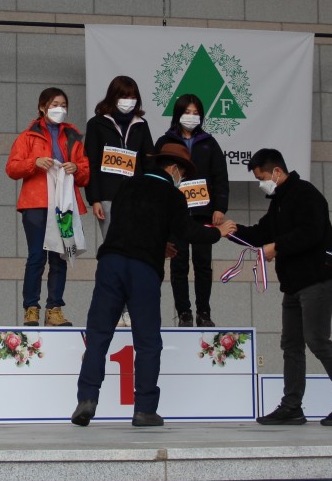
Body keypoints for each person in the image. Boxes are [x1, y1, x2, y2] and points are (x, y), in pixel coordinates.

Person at [71, 143, 236, 428]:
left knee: (98, 335)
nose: (181, 179)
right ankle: (144, 409)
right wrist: (217, 233)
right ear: (173, 169)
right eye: (182, 174)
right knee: (147, 342)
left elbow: (130, 226)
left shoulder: (127, 185)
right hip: (143, 270)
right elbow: (187, 231)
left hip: (111, 264)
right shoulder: (173, 195)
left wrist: (159, 244)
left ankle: (87, 398)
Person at [232, 148, 332, 427]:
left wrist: (278, 246)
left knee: (317, 339)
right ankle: (292, 406)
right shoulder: (278, 202)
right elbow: (260, 233)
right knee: (291, 345)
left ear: (277, 172)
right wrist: (231, 231)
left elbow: (311, 232)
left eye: (261, 178)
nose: (261, 184)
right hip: (293, 285)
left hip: (318, 279)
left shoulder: (306, 194)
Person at [5, 87, 90, 328]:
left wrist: (76, 168)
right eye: (54, 104)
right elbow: (12, 168)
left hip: (64, 204)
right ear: (42, 107)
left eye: (63, 105)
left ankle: (55, 309)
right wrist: (34, 162)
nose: (59, 109)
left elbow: (85, 173)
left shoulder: (73, 136)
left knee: (60, 256)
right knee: (36, 256)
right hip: (36, 203)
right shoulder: (27, 136)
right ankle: (31, 308)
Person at [84, 76, 155, 327]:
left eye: (133, 96)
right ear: (113, 97)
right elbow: (91, 163)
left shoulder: (141, 125)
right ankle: (118, 309)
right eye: (124, 96)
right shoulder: (97, 124)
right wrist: (94, 199)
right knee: (115, 254)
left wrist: (150, 196)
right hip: (108, 198)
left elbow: (149, 163)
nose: (129, 101)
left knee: (135, 255)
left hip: (137, 199)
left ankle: (131, 309)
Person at [154, 94, 230, 327]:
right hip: (175, 213)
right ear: (178, 114)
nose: (192, 116)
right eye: (187, 112)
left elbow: (220, 177)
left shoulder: (209, 142)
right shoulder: (165, 142)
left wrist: (219, 208)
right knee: (178, 264)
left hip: (203, 213)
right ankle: (184, 313)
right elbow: (155, 176)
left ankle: (204, 312)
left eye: (196, 113)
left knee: (203, 264)